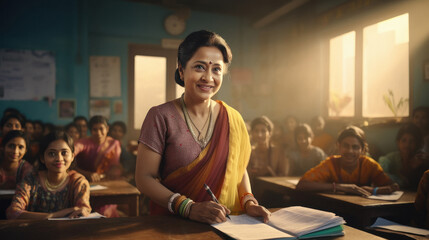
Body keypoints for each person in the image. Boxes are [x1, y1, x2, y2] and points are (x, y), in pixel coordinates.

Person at [135, 30, 270, 224]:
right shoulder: (160, 116)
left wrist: (248, 201)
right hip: (173, 224)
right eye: (199, 67)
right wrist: (188, 207)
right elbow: (144, 178)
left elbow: (238, 169)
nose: (208, 77)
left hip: (227, 224)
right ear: (181, 70)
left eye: (216, 69)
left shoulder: (233, 118)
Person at [6, 131, 91, 219]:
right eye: (52, 154)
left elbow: (83, 211)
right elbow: (13, 212)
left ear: (72, 156)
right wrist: (51, 216)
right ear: (42, 158)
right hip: (33, 231)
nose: (59, 159)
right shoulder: (31, 180)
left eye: (64, 153)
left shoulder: (77, 182)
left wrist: (83, 211)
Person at [296, 126, 399, 196]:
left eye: (355, 147)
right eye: (345, 146)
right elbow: (302, 185)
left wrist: (373, 190)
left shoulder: (369, 165)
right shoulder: (331, 164)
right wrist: (341, 187)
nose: (350, 151)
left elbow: (393, 186)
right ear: (338, 146)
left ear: (362, 150)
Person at [379, 123, 428, 190]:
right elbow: (380, 176)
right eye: (404, 140)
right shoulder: (389, 159)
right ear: (398, 142)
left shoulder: (421, 160)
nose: (407, 145)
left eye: (412, 141)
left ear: (417, 144)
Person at [74, 115, 122, 182]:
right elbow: (70, 157)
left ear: (107, 129)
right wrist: (87, 174)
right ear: (90, 131)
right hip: (84, 180)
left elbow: (115, 165)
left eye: (101, 129)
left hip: (107, 181)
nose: (98, 133)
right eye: (95, 129)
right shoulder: (83, 143)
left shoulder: (114, 144)